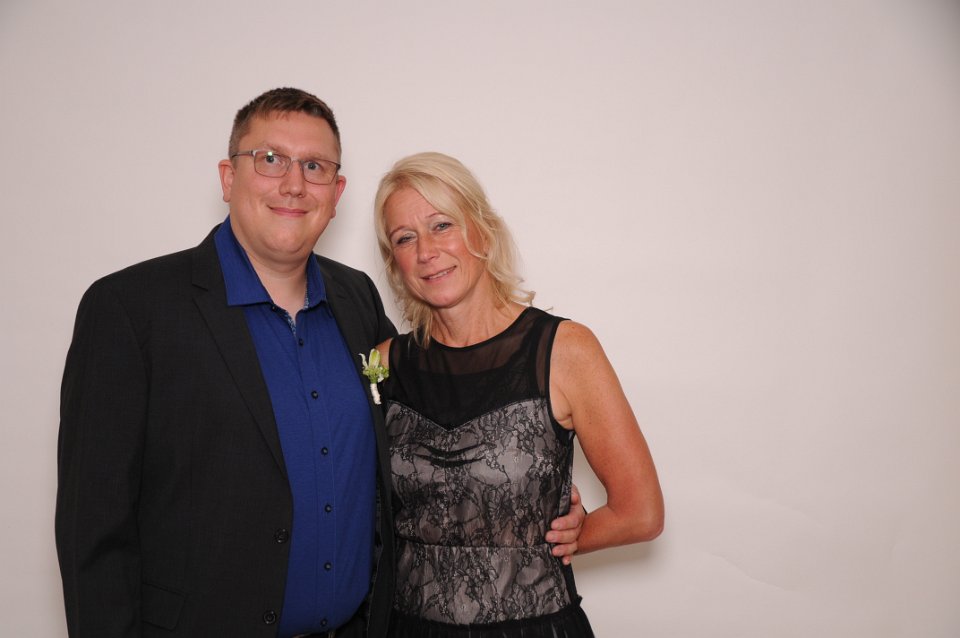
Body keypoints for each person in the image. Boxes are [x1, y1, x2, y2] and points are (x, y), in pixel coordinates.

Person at [55, 88, 583, 638]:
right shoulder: (131, 310)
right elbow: (92, 528)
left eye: (314, 166)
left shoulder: (358, 301)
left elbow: (424, 433)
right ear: (228, 178)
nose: (293, 184)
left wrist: (529, 496)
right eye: (270, 159)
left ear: (336, 193)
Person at [370, 152, 665, 637]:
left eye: (442, 225)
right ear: (394, 263)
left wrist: (563, 538)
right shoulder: (383, 364)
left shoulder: (565, 351)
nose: (426, 251)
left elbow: (641, 513)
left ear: (483, 232)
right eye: (405, 238)